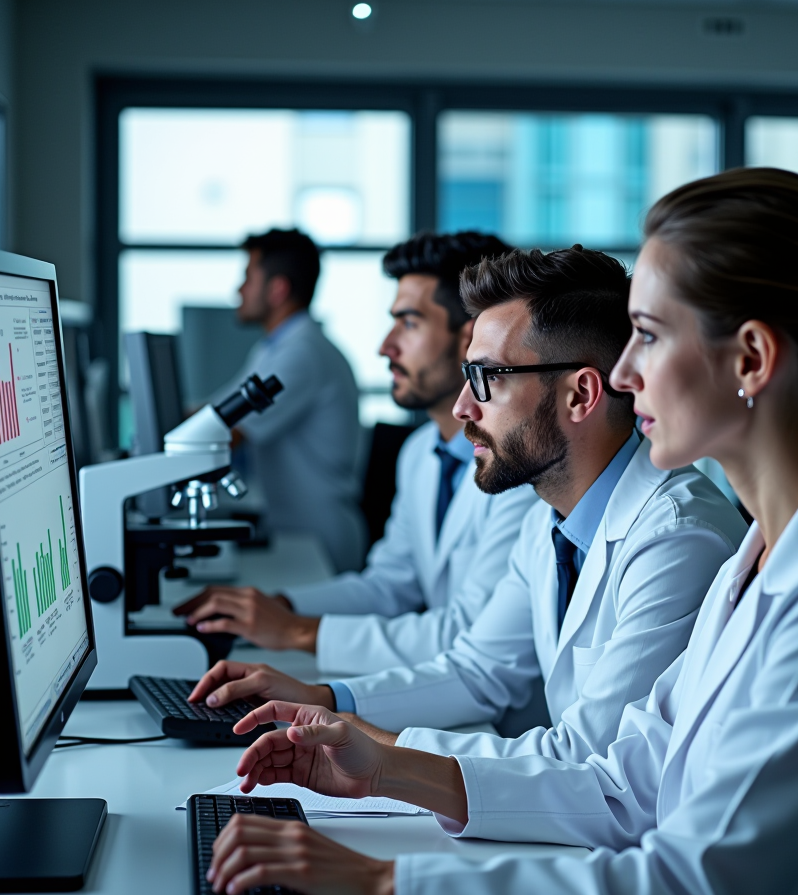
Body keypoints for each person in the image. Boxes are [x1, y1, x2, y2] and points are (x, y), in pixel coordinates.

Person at [207, 170, 798, 895]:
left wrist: (384, 887)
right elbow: (628, 782)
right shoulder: (761, 558)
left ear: (751, 360)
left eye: (648, 337)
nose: (623, 372)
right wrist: (384, 765)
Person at [192, 246, 747, 761]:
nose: (462, 408)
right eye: (466, 377)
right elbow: (480, 670)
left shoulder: (676, 539)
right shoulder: (551, 519)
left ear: (580, 395)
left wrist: (380, 753)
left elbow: (590, 759)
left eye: (486, 379)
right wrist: (325, 700)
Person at [176, 232, 535, 677]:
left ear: (471, 340)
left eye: (409, 323)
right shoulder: (420, 452)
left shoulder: (518, 468)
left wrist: (295, 631)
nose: (385, 346)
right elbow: (389, 587)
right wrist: (277, 607)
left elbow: (470, 635)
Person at [213, 228, 366, 572]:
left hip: (319, 537)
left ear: (278, 289)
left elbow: (225, 433)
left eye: (248, 278)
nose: (238, 290)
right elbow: (215, 415)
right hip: (293, 530)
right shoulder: (272, 349)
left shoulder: (300, 356)